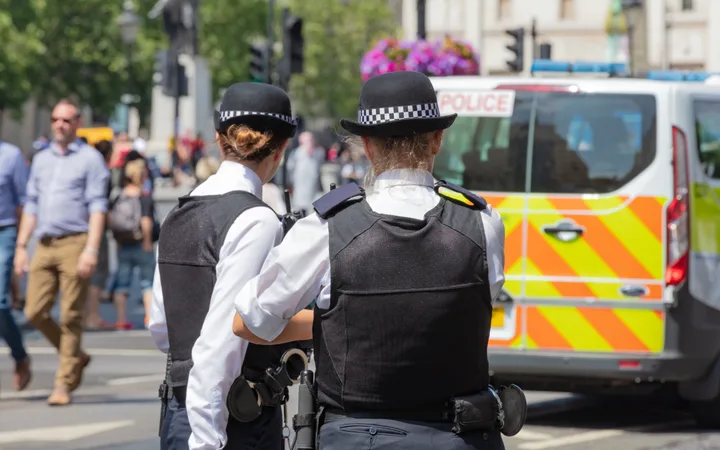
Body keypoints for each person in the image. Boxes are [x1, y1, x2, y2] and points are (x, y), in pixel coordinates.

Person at [232, 72, 514, 449]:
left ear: (366, 144)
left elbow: (250, 321)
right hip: (462, 436)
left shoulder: (325, 229)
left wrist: (333, 322)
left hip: (359, 438)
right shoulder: (483, 223)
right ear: (437, 140)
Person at [149, 82, 310, 450]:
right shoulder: (256, 220)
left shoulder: (180, 210)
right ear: (282, 148)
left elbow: (162, 328)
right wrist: (207, 440)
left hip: (179, 410)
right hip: (229, 420)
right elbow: (224, 340)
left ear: (219, 140)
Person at [14, 99, 109, 406]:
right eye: (56, 119)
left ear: (77, 122)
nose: (59, 124)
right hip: (44, 242)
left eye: (66, 120)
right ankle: (75, 355)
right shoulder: (41, 159)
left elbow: (97, 207)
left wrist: (91, 250)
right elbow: (31, 204)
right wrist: (21, 247)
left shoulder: (91, 159)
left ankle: (63, 383)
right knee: (34, 312)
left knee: (71, 315)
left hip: (76, 241)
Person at [108, 159, 156, 330]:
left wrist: (117, 240)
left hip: (123, 244)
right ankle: (149, 318)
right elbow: (146, 221)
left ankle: (121, 320)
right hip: (141, 244)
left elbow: (111, 220)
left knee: (122, 283)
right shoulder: (143, 197)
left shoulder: (118, 196)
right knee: (147, 283)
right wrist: (148, 242)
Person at [0, 140, 31, 390]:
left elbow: (23, 201)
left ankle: (20, 356)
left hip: (5, 231)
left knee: (0, 303)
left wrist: (21, 246)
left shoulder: (11, 155)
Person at [85, 140, 114, 330]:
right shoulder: (103, 173)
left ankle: (83, 314)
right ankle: (92, 315)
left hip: (82, 225)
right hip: (97, 227)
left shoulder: (88, 169)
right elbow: (103, 205)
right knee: (97, 272)